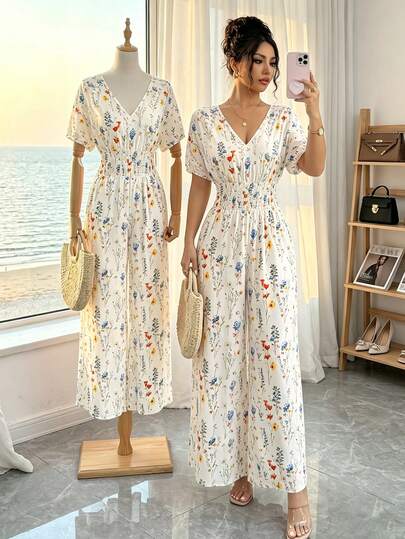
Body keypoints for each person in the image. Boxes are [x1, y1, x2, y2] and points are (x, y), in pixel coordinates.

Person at [181, 15, 325, 539]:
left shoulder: (284, 119)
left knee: (276, 362)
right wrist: (189, 242)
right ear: (233, 61)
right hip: (218, 248)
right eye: (257, 60)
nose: (267, 71)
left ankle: (296, 490)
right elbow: (200, 184)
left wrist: (314, 112)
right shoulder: (204, 122)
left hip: (268, 248)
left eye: (272, 62)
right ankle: (239, 467)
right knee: (224, 362)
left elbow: (314, 167)